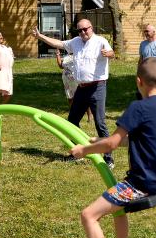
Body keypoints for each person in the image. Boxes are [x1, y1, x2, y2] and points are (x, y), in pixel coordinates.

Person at [69, 57, 156, 238]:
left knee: (89, 215)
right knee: (117, 209)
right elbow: (132, 140)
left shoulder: (138, 107)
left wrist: (85, 149)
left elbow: (113, 145)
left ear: (139, 82)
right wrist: (98, 140)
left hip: (140, 183)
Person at [33, 19, 115, 168]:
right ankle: (79, 152)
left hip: (98, 87)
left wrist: (108, 53)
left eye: (86, 29)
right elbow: (58, 44)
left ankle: (108, 158)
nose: (83, 32)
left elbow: (111, 52)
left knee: (100, 123)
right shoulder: (75, 42)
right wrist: (40, 36)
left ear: (91, 27)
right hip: (81, 88)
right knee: (71, 121)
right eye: (80, 30)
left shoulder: (100, 41)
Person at [55, 49, 92, 122]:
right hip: (67, 80)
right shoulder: (66, 57)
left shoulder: (80, 56)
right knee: (70, 98)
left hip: (77, 80)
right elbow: (60, 66)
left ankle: (90, 116)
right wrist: (58, 55)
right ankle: (73, 116)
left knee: (84, 98)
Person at [137, 24, 156, 100]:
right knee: (144, 93)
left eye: (147, 31)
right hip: (145, 72)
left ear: (154, 32)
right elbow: (141, 59)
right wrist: (139, 73)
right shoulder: (142, 44)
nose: (146, 33)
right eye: (145, 31)